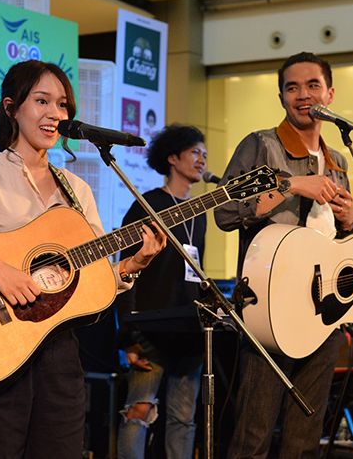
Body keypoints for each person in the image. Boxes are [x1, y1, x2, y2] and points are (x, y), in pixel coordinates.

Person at [0, 60, 166, 459]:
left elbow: (88, 281)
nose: (55, 114)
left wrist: (129, 267)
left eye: (62, 104)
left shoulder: (76, 190)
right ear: (11, 108)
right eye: (42, 101)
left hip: (58, 357)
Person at [215, 51, 353, 458]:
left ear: (330, 94)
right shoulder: (261, 145)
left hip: (322, 307)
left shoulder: (338, 160)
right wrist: (292, 185)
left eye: (313, 85)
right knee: (254, 433)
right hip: (270, 305)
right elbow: (224, 212)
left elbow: (342, 241)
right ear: (281, 97)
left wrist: (349, 221)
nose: (303, 95)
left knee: (305, 438)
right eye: (292, 87)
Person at [116, 124, 209, 459]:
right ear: (172, 157)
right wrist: (127, 335)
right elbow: (125, 268)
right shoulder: (148, 204)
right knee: (138, 412)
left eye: (205, 154)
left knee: (184, 419)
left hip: (188, 331)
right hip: (149, 330)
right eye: (195, 152)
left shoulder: (200, 212)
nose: (202, 160)